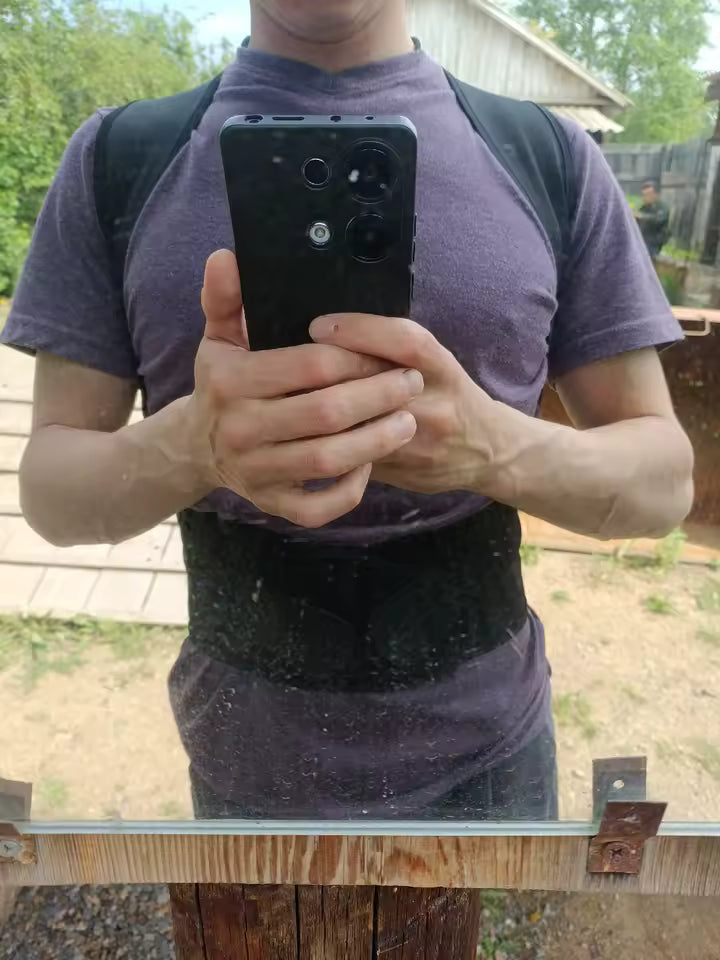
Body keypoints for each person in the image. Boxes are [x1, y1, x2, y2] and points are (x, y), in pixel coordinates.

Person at [1, 0, 693, 821]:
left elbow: (664, 484)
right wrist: (193, 445)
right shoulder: (116, 159)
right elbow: (51, 493)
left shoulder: (551, 155)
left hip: (493, 763)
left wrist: (489, 447)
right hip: (237, 763)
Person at [635, 180, 671, 259]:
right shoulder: (644, 207)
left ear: (656, 194)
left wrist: (642, 216)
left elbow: (658, 219)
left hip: (653, 243)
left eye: (648, 195)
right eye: (644, 195)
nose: (645, 197)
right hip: (642, 240)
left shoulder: (662, 207)